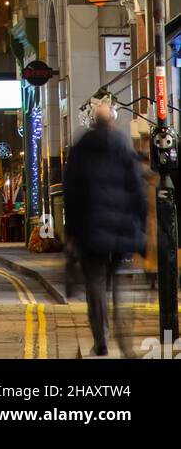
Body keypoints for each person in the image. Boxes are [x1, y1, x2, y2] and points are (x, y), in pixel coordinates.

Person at [63, 101, 147, 357]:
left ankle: (101, 338)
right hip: (121, 231)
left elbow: (71, 194)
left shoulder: (80, 148)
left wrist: (71, 233)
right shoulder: (123, 145)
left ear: (92, 122)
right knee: (118, 284)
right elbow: (137, 190)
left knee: (96, 285)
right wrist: (140, 228)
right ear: (111, 121)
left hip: (91, 233)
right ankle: (124, 336)